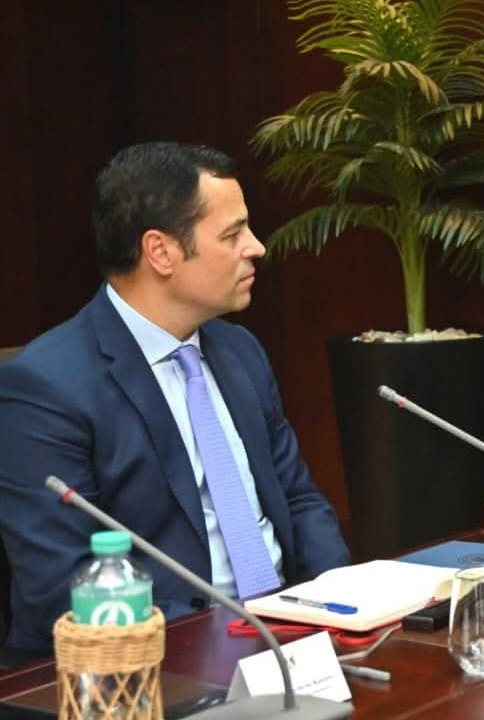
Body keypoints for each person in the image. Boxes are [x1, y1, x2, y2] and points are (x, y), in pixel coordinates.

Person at [0, 142, 350, 652]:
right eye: (232, 234)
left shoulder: (240, 351)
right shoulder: (46, 387)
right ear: (160, 252)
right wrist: (234, 641)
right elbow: (63, 584)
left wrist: (338, 604)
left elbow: (298, 500)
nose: (256, 247)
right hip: (157, 657)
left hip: (291, 634)